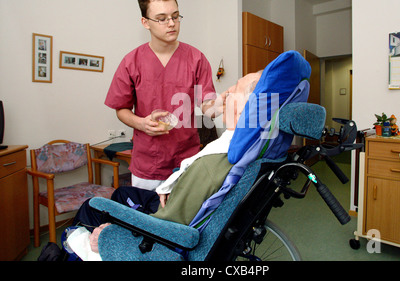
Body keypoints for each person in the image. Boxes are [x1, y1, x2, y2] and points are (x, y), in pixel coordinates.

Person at [70, 71, 262, 258]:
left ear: (244, 108)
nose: (228, 90)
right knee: (121, 193)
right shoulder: (249, 142)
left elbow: (172, 219)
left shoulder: (214, 162)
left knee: (91, 206)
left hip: (168, 218)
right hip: (178, 194)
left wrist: (115, 229)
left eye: (236, 87)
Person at [104, 0, 225, 191]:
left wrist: (221, 107)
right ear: (145, 22)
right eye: (161, 18)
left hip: (186, 162)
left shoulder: (196, 59)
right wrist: (141, 124)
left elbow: (207, 103)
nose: (171, 23)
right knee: (145, 221)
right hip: (147, 164)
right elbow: (121, 109)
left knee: (184, 222)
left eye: (176, 16)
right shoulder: (131, 62)